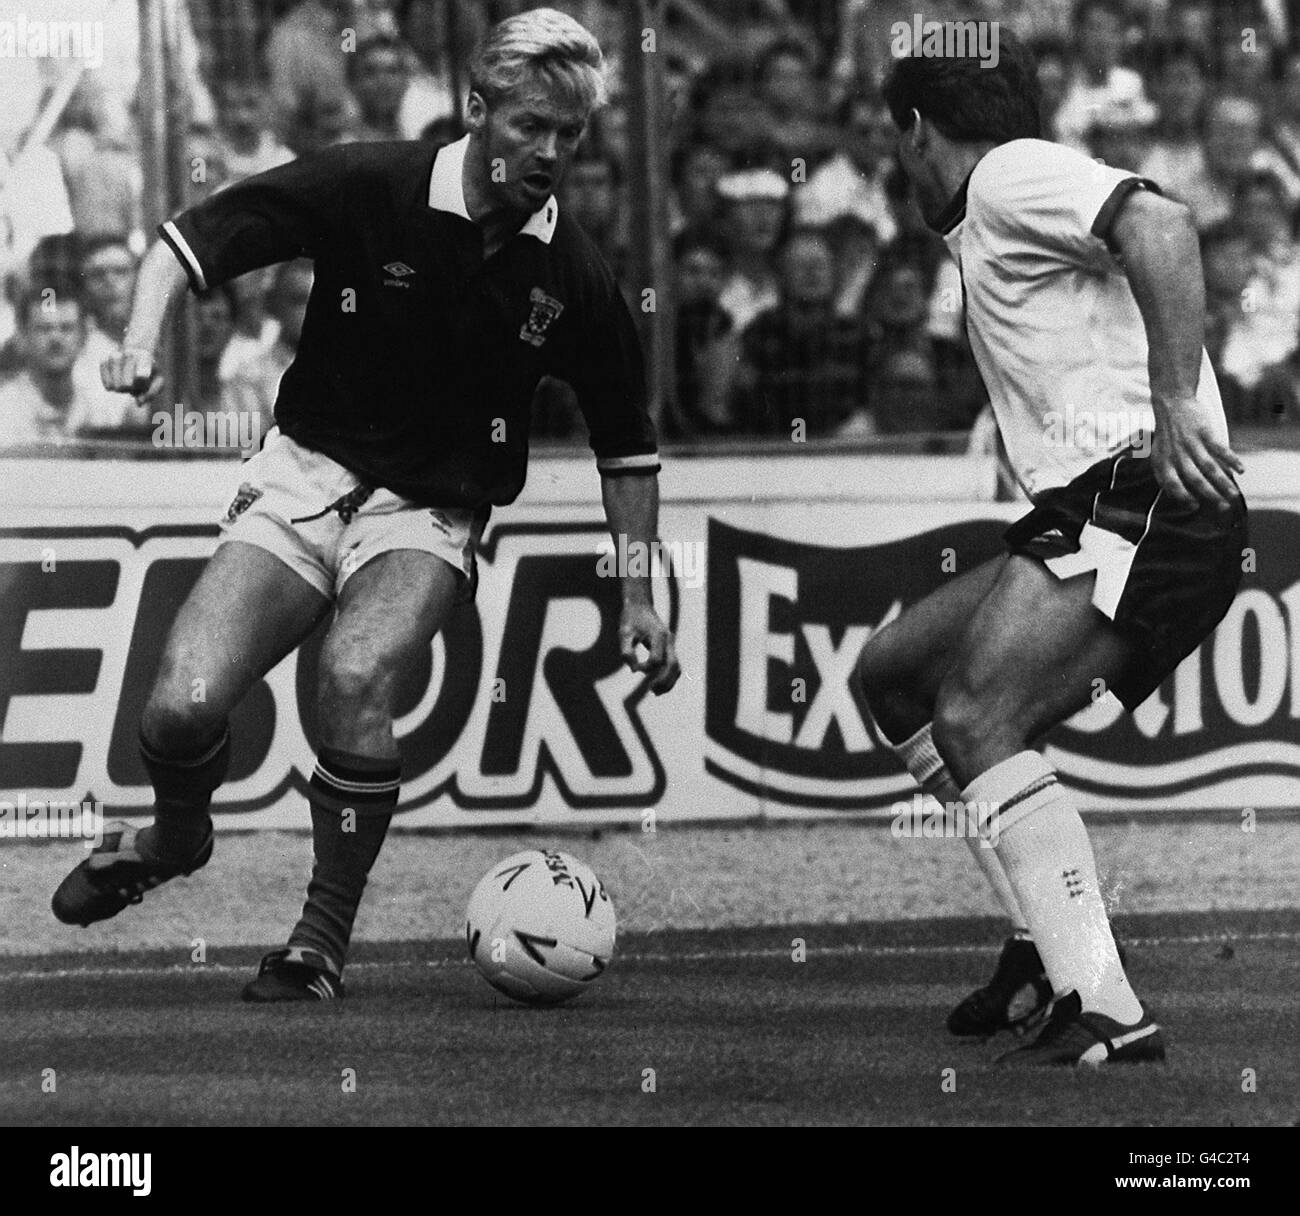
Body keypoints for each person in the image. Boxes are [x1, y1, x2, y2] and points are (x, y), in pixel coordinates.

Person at [51, 7, 680, 1002]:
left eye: (569, 134)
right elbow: (183, 242)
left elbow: (629, 450)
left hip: (431, 512)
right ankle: (173, 838)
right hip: (305, 473)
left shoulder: (574, 275)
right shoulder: (371, 183)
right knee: (180, 706)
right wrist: (137, 340)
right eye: (530, 126)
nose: (550, 153)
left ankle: (319, 940)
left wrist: (638, 596)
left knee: (353, 673)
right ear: (475, 109)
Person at [858, 34, 1246, 1065]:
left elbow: (1161, 222)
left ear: (916, 130)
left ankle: (1103, 1000)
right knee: (898, 677)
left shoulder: (1005, 175)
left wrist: (1173, 399)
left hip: (1141, 495)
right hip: (1105, 506)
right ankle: (1041, 944)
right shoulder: (1003, 201)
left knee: (975, 715)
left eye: (897, 136)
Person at [0, 286, 129, 443]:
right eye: (44, 329)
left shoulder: (101, 412)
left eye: (67, 328)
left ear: (84, 337)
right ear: (23, 336)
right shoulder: (5, 410)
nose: (56, 338)